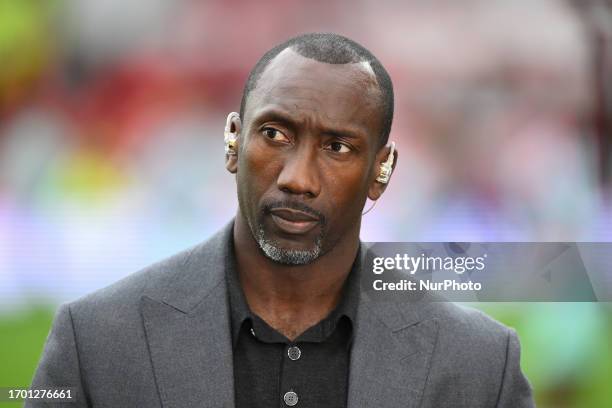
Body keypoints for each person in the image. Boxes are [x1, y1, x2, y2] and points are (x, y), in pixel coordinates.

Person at [28, 33, 534, 407]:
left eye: (337, 147)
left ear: (382, 170)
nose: (298, 177)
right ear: (232, 140)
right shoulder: (94, 342)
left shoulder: (480, 366)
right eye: (275, 134)